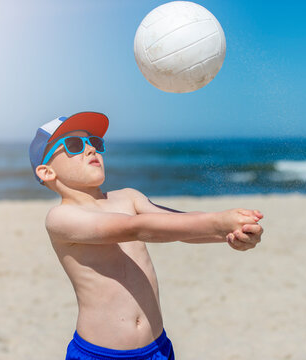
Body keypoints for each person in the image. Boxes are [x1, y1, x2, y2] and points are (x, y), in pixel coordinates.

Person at [28, 112, 264, 360]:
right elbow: (136, 228)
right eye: (74, 145)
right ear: (46, 172)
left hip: (157, 349)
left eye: (95, 143)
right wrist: (217, 222)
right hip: (100, 354)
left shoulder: (128, 197)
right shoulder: (61, 217)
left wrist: (231, 232)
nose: (90, 150)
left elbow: (177, 224)